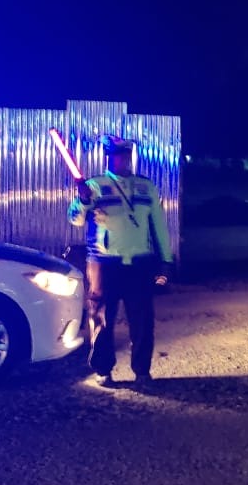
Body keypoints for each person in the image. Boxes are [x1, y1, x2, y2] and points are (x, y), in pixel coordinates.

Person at [68, 134, 173, 385]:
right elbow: (75, 219)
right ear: (108, 157)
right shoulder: (94, 186)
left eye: (124, 155)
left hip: (140, 263)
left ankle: (142, 371)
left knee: (143, 320)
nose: (120, 159)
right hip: (104, 263)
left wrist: (166, 260)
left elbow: (158, 225)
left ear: (129, 156)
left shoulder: (145, 186)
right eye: (115, 155)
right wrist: (83, 200)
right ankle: (103, 370)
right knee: (101, 318)